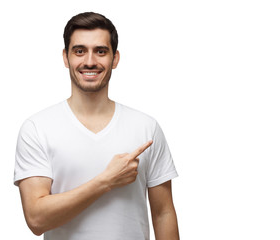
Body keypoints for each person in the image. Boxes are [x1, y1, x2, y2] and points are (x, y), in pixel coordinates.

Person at [14, 12, 179, 240]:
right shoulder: (37, 128)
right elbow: (36, 219)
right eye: (79, 51)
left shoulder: (146, 128)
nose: (90, 61)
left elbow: (163, 213)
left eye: (100, 51)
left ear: (115, 58)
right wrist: (106, 180)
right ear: (65, 57)